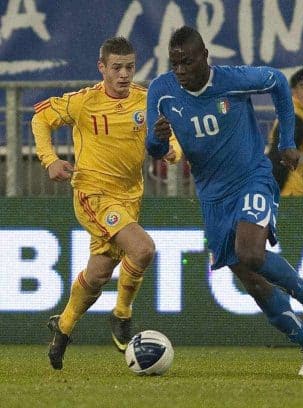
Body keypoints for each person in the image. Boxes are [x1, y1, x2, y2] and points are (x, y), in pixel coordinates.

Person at [146, 26, 303, 376]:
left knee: (251, 251)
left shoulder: (232, 81)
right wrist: (157, 143)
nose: (181, 70)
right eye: (175, 64)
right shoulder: (161, 91)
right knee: (250, 279)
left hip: (252, 178)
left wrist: (285, 143)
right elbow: (153, 148)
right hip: (212, 196)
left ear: (205, 56)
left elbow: (279, 81)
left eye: (187, 62)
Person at [31, 36, 181, 370]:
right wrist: (49, 159)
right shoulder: (83, 102)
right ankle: (121, 315)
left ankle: (64, 327)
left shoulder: (147, 99)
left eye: (129, 66)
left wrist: (175, 150)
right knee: (142, 249)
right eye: (117, 67)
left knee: (98, 274)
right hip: (93, 194)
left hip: (130, 197)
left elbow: (173, 134)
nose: (124, 74)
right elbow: (40, 119)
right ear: (102, 68)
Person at [267, 67, 303, 196]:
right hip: (294, 195)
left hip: (300, 193)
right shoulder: (295, 118)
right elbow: (279, 159)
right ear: (294, 92)